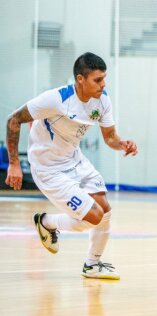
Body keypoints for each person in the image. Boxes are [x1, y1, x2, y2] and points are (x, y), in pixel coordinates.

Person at [5, 52, 138, 280]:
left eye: (104, 78)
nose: (103, 84)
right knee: (94, 217)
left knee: (104, 209)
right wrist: (14, 164)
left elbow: (109, 137)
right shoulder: (56, 99)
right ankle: (45, 222)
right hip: (48, 168)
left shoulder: (103, 100)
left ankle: (92, 265)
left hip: (75, 160)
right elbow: (13, 120)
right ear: (80, 79)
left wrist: (122, 144)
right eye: (97, 80)